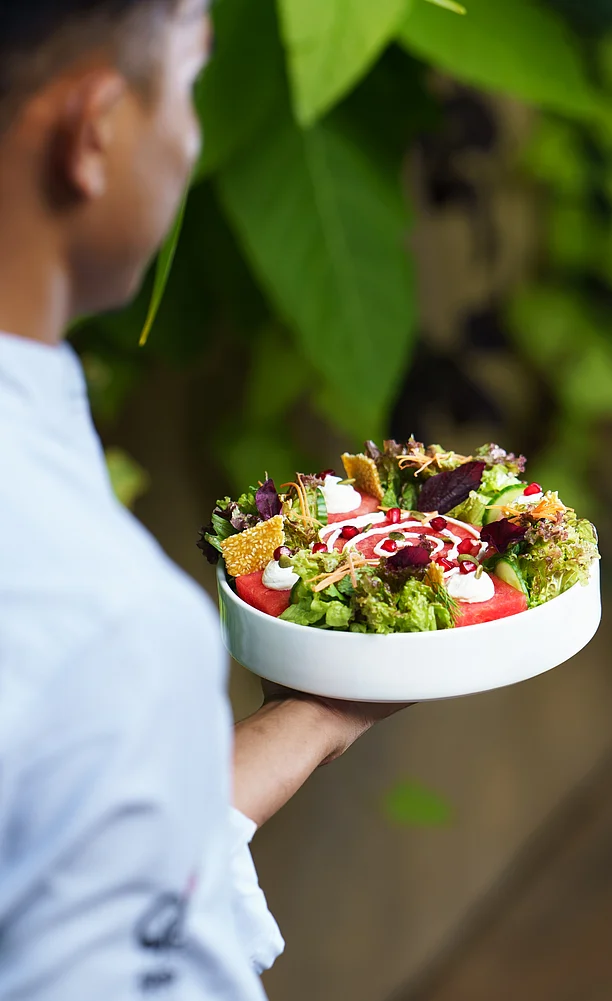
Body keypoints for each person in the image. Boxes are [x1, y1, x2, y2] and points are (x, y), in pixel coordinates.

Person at [0, 1, 404, 997]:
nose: (192, 138)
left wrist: (310, 717)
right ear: (92, 132)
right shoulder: (111, 620)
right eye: (187, 87)